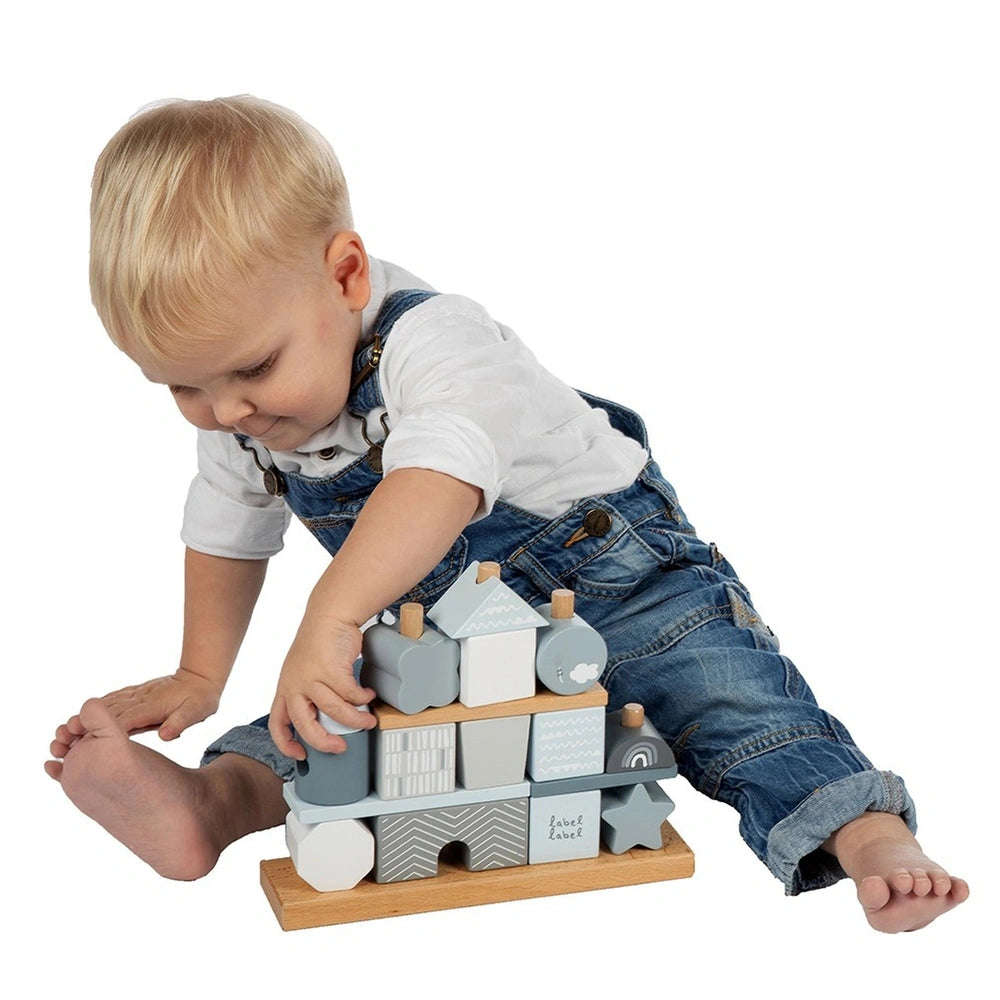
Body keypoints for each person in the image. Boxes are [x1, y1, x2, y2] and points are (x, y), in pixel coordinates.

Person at [45, 96, 967, 933]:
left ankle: (867, 834)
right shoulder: (244, 419)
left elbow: (436, 482)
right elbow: (226, 530)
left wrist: (329, 614)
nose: (227, 411)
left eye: (252, 368)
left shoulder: (437, 342)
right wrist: (198, 672)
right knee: (334, 723)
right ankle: (217, 802)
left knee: (724, 695)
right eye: (182, 388)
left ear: (347, 275)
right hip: (440, 623)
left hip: (620, 583)